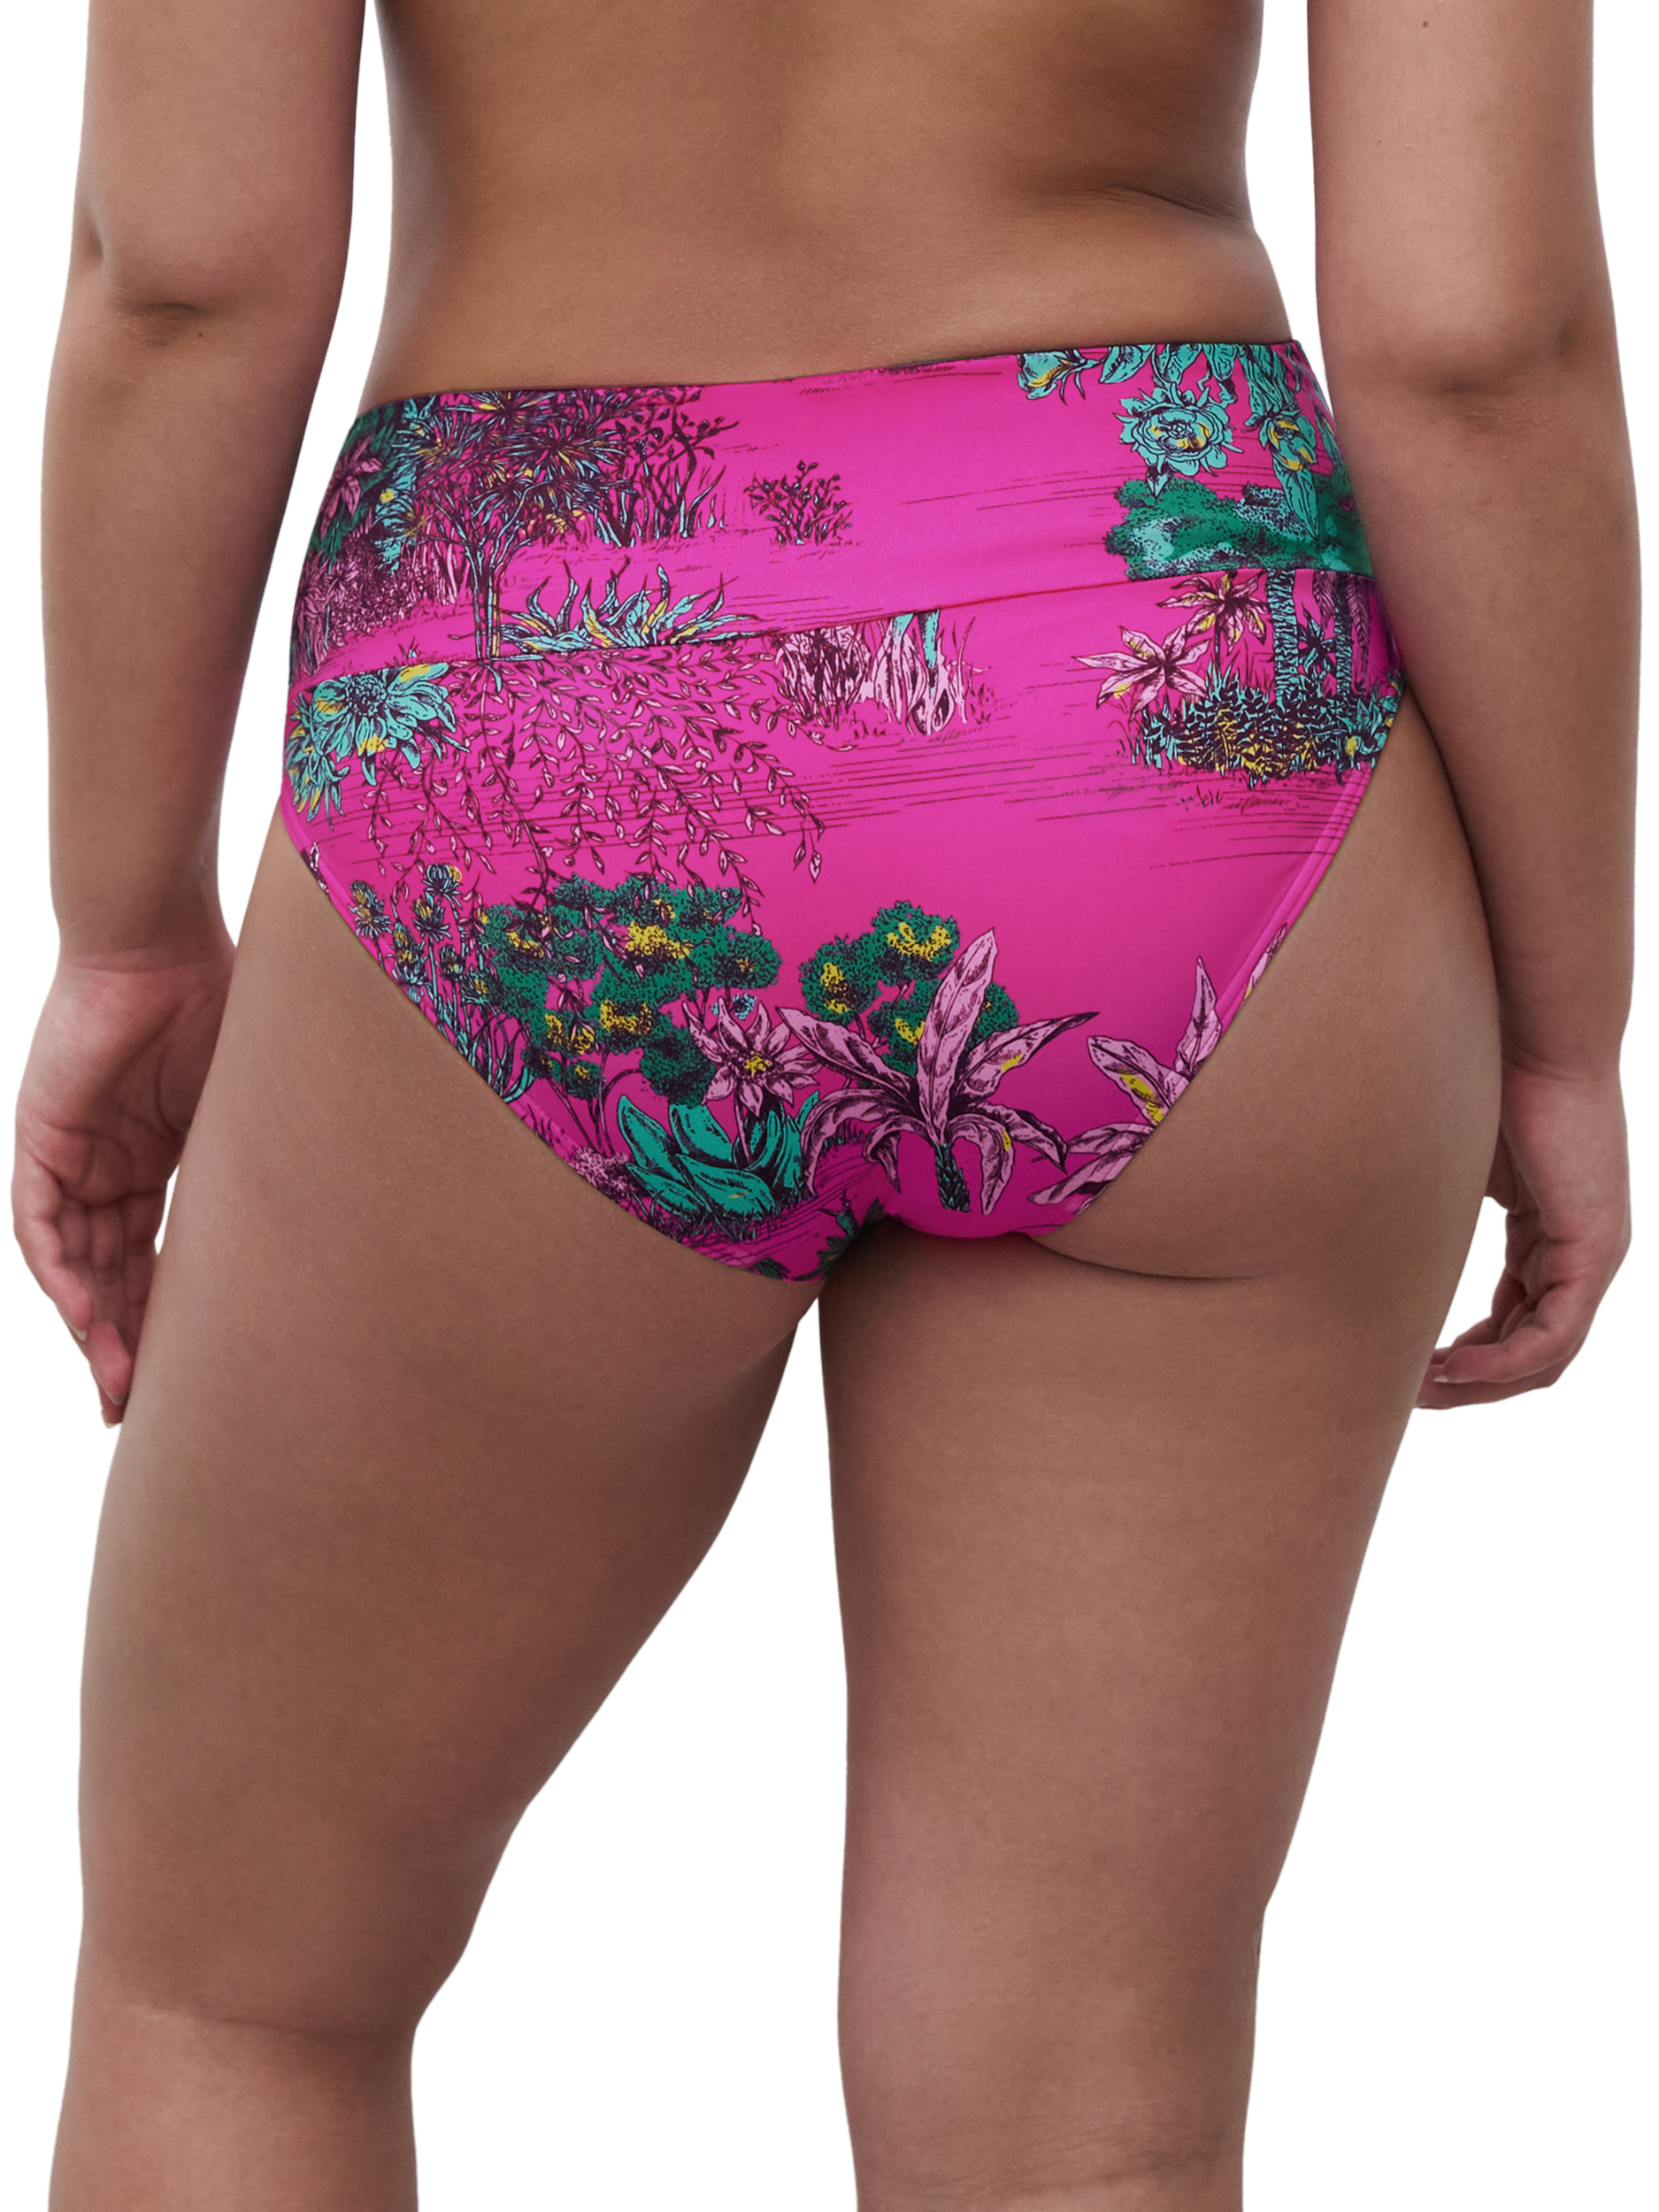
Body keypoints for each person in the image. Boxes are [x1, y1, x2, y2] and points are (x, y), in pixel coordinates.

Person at [11, 0, 1634, 2203]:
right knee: (1081, 2125)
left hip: (541, 739)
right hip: (1167, 702)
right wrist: (1560, 1018)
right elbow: (1475, 337)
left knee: (237, 1994)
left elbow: (187, 273)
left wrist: (125, 927)